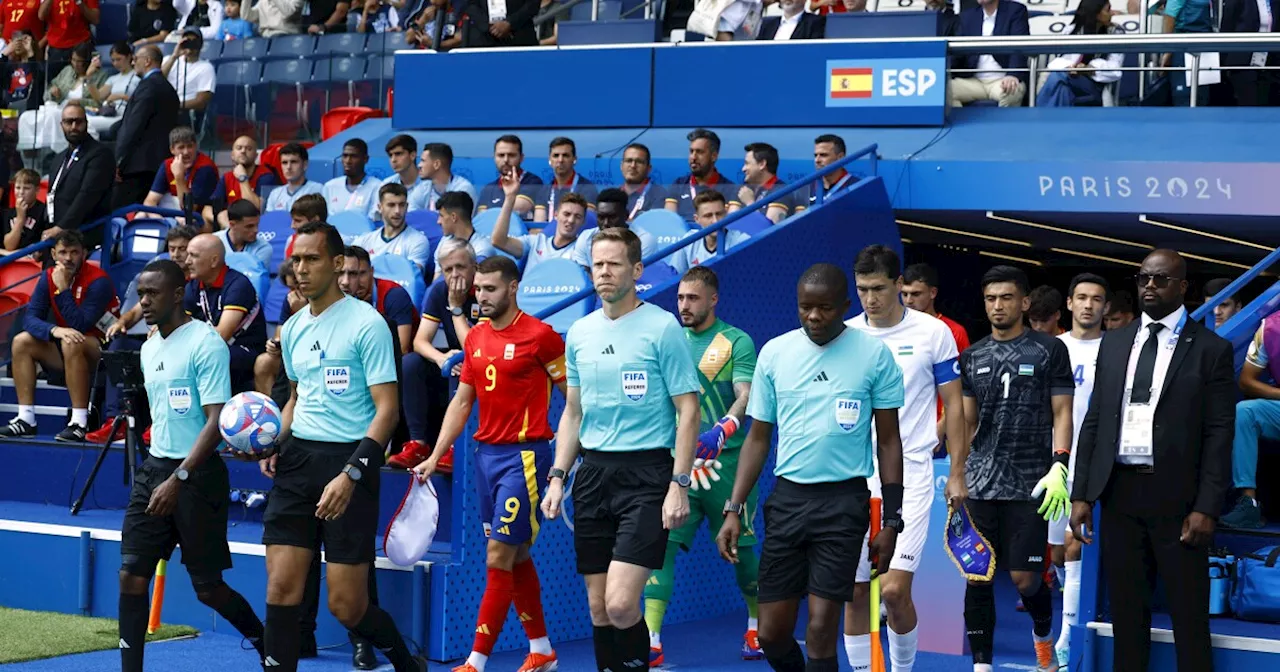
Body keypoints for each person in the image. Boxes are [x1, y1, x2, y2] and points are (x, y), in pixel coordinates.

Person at [253, 222, 425, 672]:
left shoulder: (368, 324)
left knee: (347, 606)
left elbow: (387, 412)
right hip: (298, 463)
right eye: (295, 261)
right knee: (281, 588)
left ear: (335, 264)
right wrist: (275, 439)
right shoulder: (290, 329)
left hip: (350, 461)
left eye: (311, 260)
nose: (301, 270)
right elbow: (297, 397)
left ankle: (407, 663)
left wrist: (351, 474)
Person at [716, 263, 904, 672]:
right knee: (771, 634)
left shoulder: (875, 355)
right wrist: (733, 509)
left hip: (843, 503)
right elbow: (758, 438)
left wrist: (892, 519)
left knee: (820, 629)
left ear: (845, 306)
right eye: (805, 308)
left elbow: (889, 441)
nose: (814, 317)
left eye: (825, 308)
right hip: (788, 501)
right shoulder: (775, 353)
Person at [541, 227, 700, 672]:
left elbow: (689, 410)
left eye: (613, 264)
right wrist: (558, 476)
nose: (604, 273)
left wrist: (678, 484)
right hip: (592, 476)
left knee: (620, 605)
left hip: (648, 476)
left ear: (636, 269)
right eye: (597, 265)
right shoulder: (580, 332)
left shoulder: (663, 328)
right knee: (597, 608)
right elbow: (572, 412)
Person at [1070, 250, 1234, 672]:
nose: (1149, 286)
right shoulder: (1116, 341)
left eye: (1161, 280)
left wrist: (1206, 506)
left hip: (1178, 499)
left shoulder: (1211, 350)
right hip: (1120, 493)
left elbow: (1219, 434)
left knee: (1188, 618)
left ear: (1183, 288)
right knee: (1127, 616)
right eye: (1143, 278)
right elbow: (1094, 421)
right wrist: (1082, 493)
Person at [413, 255, 563, 672]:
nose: (480, 296)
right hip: (485, 459)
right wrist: (435, 453)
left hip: (526, 458)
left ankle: (475, 663)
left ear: (513, 288)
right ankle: (542, 650)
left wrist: (566, 463)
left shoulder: (542, 336)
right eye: (478, 289)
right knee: (515, 558)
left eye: (490, 289)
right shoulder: (475, 337)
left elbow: (576, 400)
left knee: (498, 555)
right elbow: (463, 402)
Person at [116, 258, 266, 671]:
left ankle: (263, 639)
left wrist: (180, 477)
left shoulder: (206, 343)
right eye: (140, 293)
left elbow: (216, 420)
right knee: (131, 575)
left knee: (209, 589)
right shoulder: (148, 346)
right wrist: (160, 473)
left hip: (197, 477)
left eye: (152, 293)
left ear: (177, 294)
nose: (143, 302)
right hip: (155, 471)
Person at [844, 245, 966, 672]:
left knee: (894, 591)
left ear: (899, 285)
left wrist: (956, 471)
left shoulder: (933, 333)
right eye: (862, 290)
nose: (870, 299)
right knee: (857, 592)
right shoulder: (844, 335)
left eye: (878, 288)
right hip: (854, 481)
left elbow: (955, 406)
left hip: (911, 477)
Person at [643, 266, 762, 665]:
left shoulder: (736, 342)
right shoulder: (668, 340)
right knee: (662, 547)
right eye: (679, 298)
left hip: (727, 466)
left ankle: (755, 624)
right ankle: (652, 639)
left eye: (692, 298)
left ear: (713, 299)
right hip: (680, 468)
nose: (684, 306)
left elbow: (745, 396)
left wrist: (724, 428)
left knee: (743, 557)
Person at [959, 265, 1074, 672]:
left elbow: (1063, 412)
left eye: (1006, 298)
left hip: (1031, 484)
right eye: (991, 299)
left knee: (1026, 580)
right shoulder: (972, 356)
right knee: (977, 577)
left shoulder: (1049, 350)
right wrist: (957, 473)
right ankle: (982, 666)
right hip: (980, 484)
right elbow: (966, 424)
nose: (998, 306)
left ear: (1024, 303)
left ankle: (1043, 642)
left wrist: (1060, 462)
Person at [1, 230, 120, 442]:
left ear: (84, 254)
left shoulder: (98, 280)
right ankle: (26, 419)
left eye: (74, 252)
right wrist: (53, 330)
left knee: (71, 341)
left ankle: (79, 422)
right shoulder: (48, 277)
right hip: (67, 348)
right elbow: (30, 319)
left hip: (102, 353)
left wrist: (63, 288)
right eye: (63, 252)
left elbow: (80, 324)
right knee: (22, 341)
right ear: (54, 254)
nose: (68, 258)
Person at [90, 225, 196, 444]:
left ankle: (159, 423)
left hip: (184, 344)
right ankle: (115, 420)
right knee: (118, 346)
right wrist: (121, 322)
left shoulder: (196, 282)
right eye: (172, 248)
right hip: (152, 342)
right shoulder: (161, 277)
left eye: (182, 249)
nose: (176, 254)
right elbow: (136, 311)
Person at [1048, 273, 1107, 667]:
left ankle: (1068, 637)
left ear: (1106, 307)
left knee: (1075, 544)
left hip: (1094, 464)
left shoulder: (1118, 349)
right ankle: (1071, 612)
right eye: (1081, 297)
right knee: (1056, 554)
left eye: (1096, 299)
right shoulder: (1052, 348)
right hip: (1053, 464)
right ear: (1069, 304)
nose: (1088, 305)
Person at [388, 238, 481, 468]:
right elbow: (420, 341)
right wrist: (441, 358)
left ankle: (454, 446)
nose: (454, 274)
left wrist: (456, 307)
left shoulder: (484, 290)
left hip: (483, 366)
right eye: (448, 269)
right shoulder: (440, 290)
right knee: (411, 363)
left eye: (460, 267)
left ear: (474, 267)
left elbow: (478, 348)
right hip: (454, 366)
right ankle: (418, 444)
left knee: (470, 368)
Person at [182, 233, 268, 390]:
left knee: (210, 355)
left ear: (214, 260)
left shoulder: (238, 284)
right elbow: (179, 326)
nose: (187, 261)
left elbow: (221, 335)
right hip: (209, 347)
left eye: (193, 256)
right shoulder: (193, 286)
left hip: (244, 350)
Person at [113, 45, 180, 212]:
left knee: (123, 215)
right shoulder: (168, 88)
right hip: (158, 163)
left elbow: (133, 126)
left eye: (136, 59)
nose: (134, 63)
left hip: (138, 167)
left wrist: (118, 159)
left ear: (148, 61)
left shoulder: (148, 86)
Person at [47, 102, 115, 250]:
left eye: (78, 121)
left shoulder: (100, 155)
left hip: (84, 239)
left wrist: (62, 227)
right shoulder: (58, 159)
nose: (73, 127)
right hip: (57, 240)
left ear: (86, 123)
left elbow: (87, 196)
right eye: (68, 122)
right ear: (61, 125)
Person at [490, 170, 585, 274]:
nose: (571, 220)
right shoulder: (535, 242)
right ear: (556, 215)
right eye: (566, 214)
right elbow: (498, 241)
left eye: (577, 217)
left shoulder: (580, 251)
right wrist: (510, 197)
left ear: (583, 222)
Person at [340, 245, 417, 354]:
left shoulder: (394, 295)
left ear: (371, 271)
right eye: (352, 274)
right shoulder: (345, 297)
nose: (357, 281)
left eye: (361, 273)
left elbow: (402, 349)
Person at [142, 125, 219, 224]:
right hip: (169, 213)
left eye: (190, 146)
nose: (186, 152)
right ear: (172, 150)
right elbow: (149, 201)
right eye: (181, 147)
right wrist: (161, 221)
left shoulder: (205, 167)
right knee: (141, 214)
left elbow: (188, 209)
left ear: (196, 146)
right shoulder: (167, 164)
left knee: (183, 221)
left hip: (198, 217)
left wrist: (179, 176)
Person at [353, 182, 433, 276]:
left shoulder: (418, 241)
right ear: (380, 207)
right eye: (391, 205)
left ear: (407, 207)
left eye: (401, 205)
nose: (397, 211)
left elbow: (411, 278)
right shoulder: (364, 241)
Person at [571, 188, 658, 271]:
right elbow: (582, 278)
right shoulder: (586, 238)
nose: (605, 223)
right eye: (601, 217)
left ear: (626, 216)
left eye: (612, 217)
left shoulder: (643, 241)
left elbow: (639, 278)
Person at [218, 199, 273, 268]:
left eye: (257, 225)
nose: (256, 230)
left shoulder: (263, 248)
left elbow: (255, 277)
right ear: (232, 225)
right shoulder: (213, 242)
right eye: (249, 226)